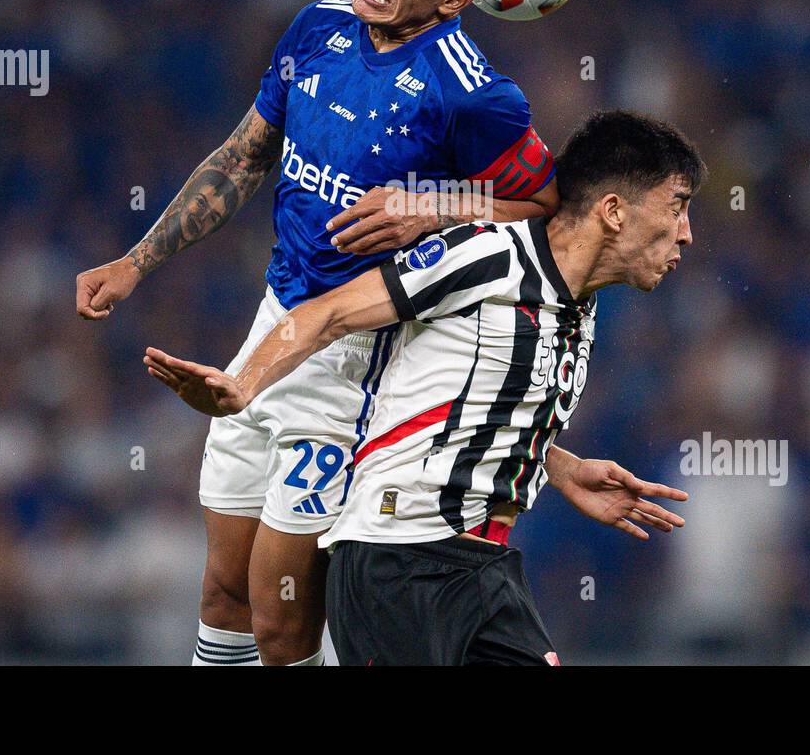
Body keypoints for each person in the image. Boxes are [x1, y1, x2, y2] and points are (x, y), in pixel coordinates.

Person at [77, 0, 559, 666]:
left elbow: (545, 206)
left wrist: (437, 204)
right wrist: (137, 262)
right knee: (224, 590)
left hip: (358, 358)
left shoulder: (476, 96)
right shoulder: (316, 29)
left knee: (280, 610)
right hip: (271, 327)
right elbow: (243, 157)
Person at [145, 110, 704, 664]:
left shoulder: (581, 303)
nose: (686, 232)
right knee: (257, 614)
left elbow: (459, 398)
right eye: (676, 207)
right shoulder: (488, 256)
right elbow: (328, 313)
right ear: (613, 211)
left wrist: (554, 466)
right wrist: (242, 385)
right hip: (401, 560)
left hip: (481, 569)